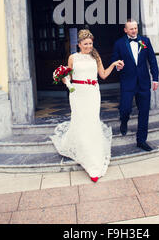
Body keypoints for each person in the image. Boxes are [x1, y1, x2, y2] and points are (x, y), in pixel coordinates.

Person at [50, 29, 124, 182]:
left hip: (93, 93)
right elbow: (69, 76)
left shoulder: (95, 57)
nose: (89, 46)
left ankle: (94, 158)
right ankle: (86, 156)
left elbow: (102, 75)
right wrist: (64, 79)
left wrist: (113, 64)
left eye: (91, 43)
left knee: (92, 122)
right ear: (79, 44)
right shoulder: (73, 57)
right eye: (86, 44)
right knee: (81, 121)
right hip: (77, 93)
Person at [111, 19, 159, 152]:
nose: (134, 31)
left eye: (135, 28)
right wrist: (118, 66)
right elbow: (114, 59)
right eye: (131, 29)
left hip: (144, 82)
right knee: (125, 108)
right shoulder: (119, 43)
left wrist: (155, 78)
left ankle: (141, 140)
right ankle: (124, 120)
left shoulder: (145, 41)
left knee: (144, 112)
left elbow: (152, 60)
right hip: (127, 82)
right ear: (125, 30)